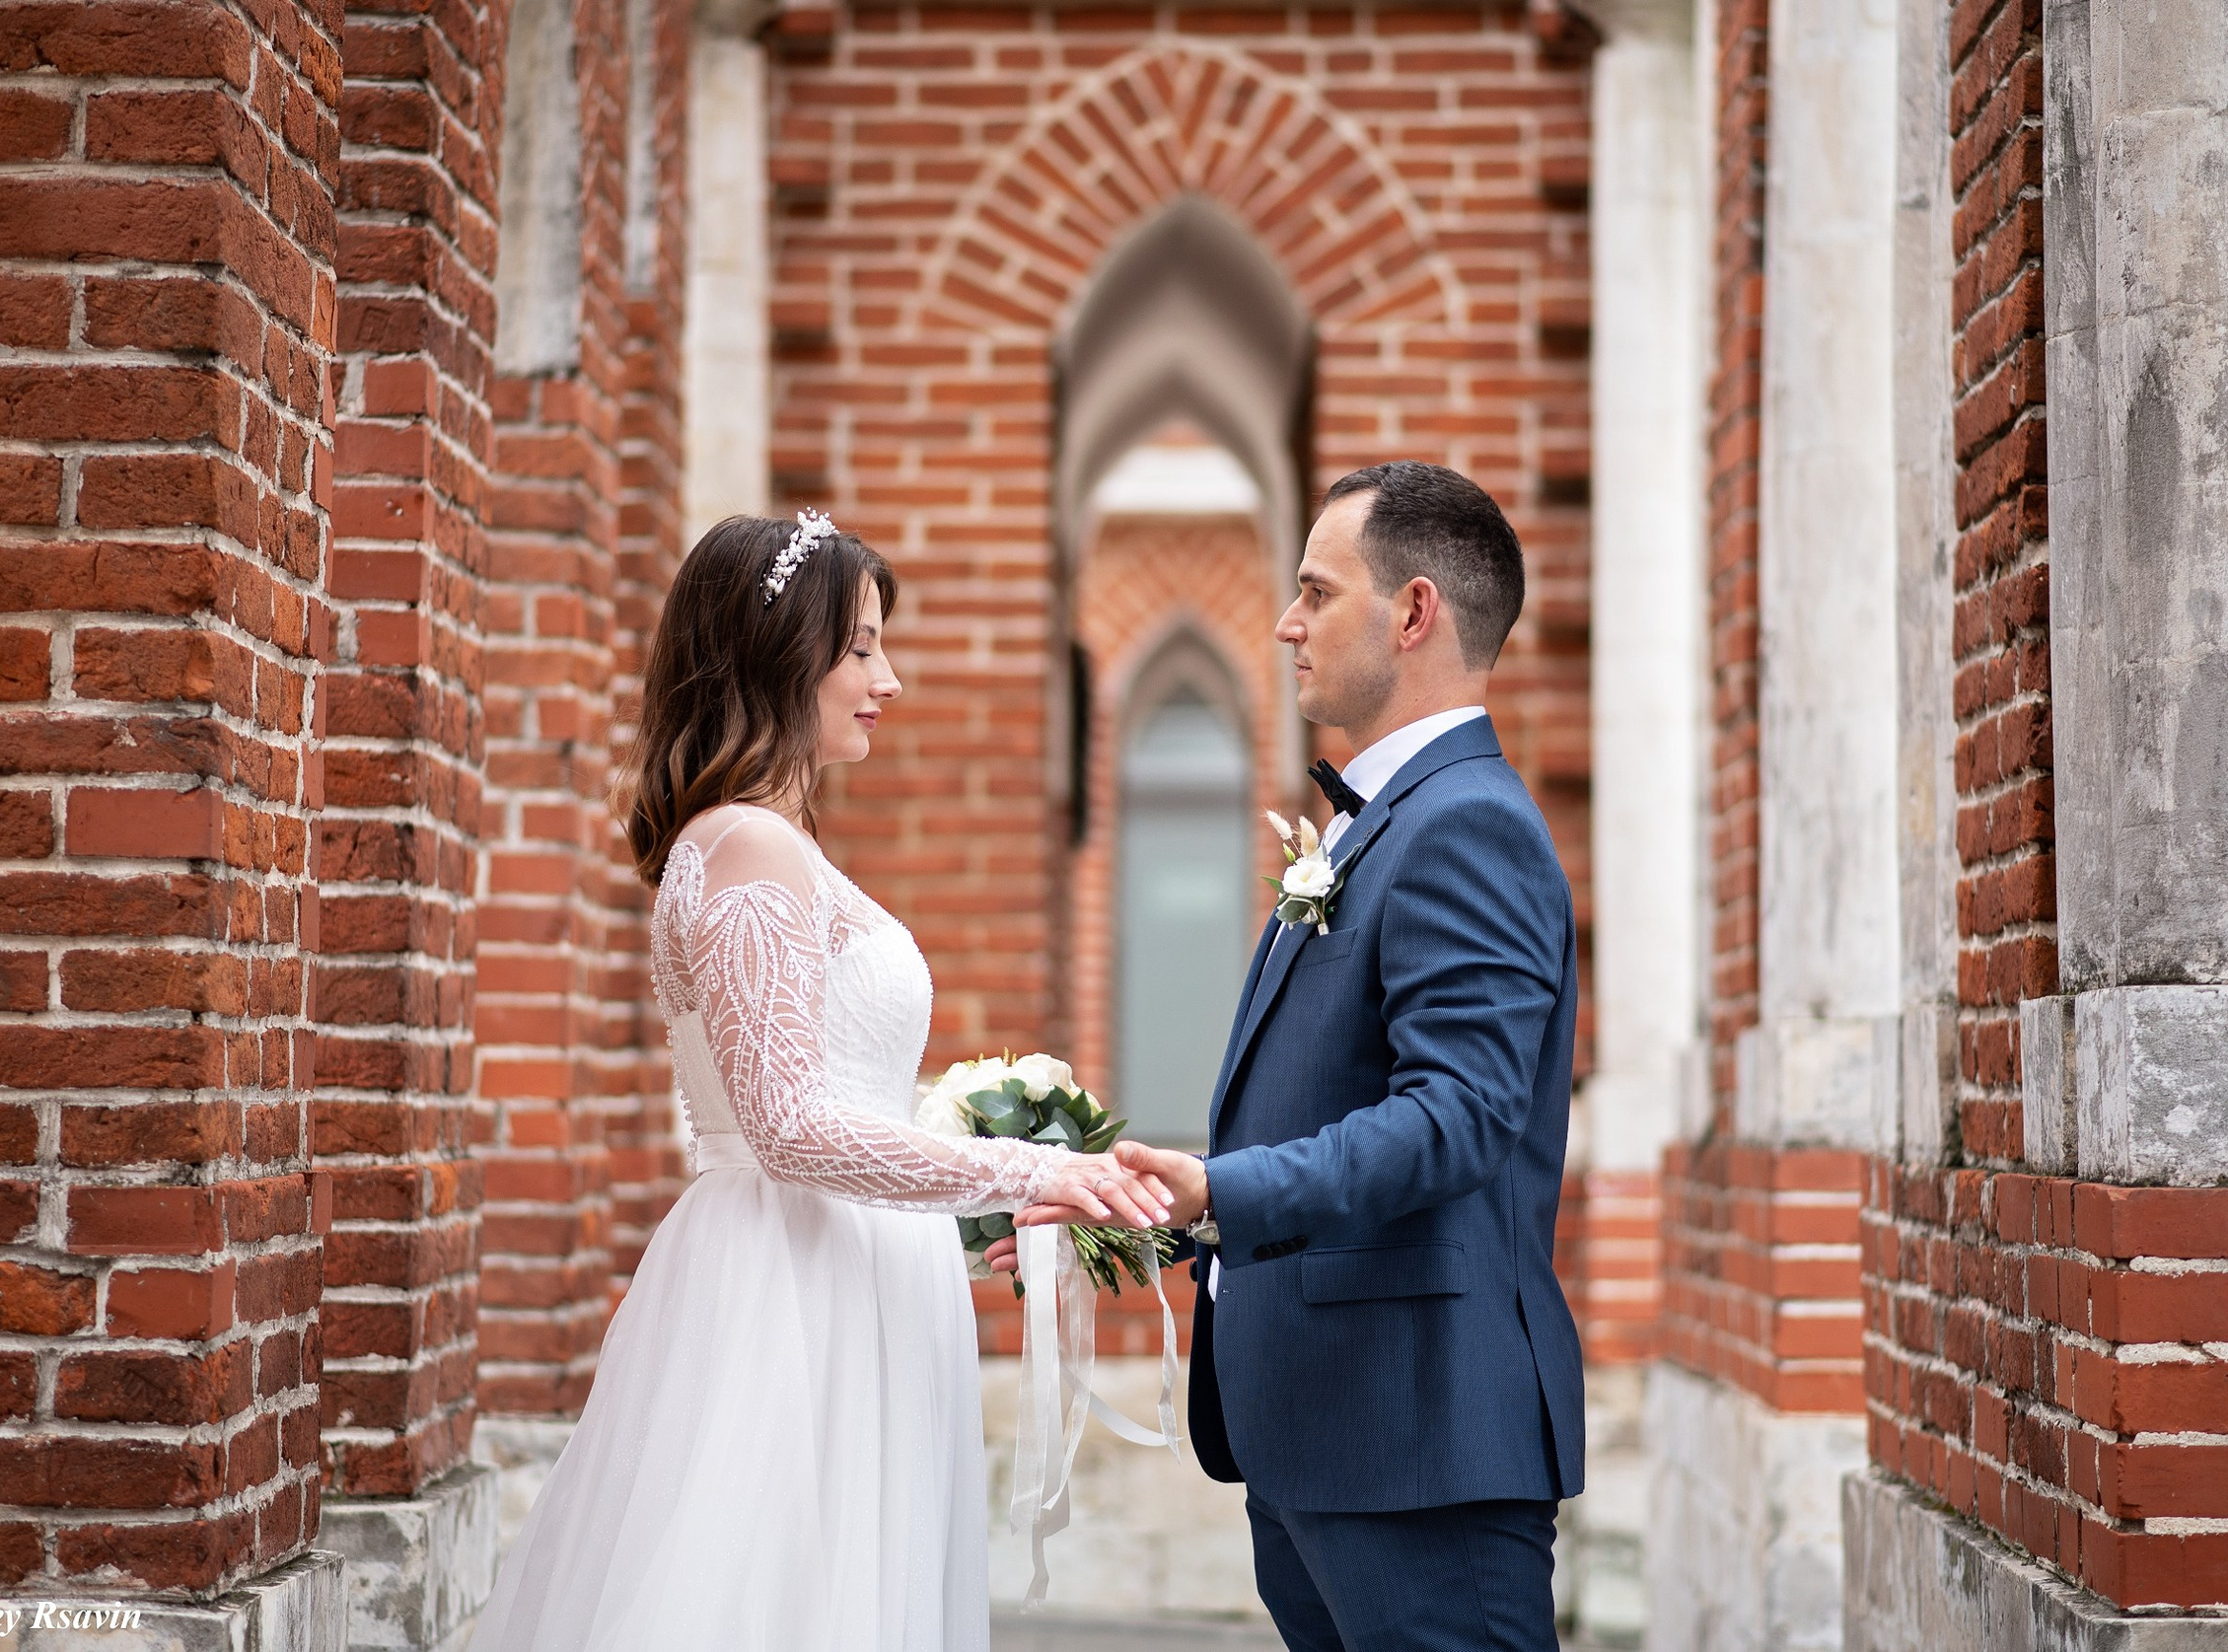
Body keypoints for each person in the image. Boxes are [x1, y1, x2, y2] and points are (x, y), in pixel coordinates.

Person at [466, 512, 1170, 1652]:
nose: (888, 680)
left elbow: (831, 1091)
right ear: (776, 657)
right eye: (861, 648)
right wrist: (1031, 1167)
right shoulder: (748, 845)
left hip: (837, 1269)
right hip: (789, 1294)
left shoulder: (764, 842)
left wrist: (970, 1192)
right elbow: (788, 1127)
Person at [1007, 461, 1584, 1651]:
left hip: (1420, 1443)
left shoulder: (1467, 823)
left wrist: (1221, 1188)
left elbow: (1458, 1117)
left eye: (1316, 592)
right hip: (1321, 1439)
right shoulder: (1371, 826)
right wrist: (1133, 1217)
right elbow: (1318, 1103)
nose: (1285, 622)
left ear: (1413, 613)